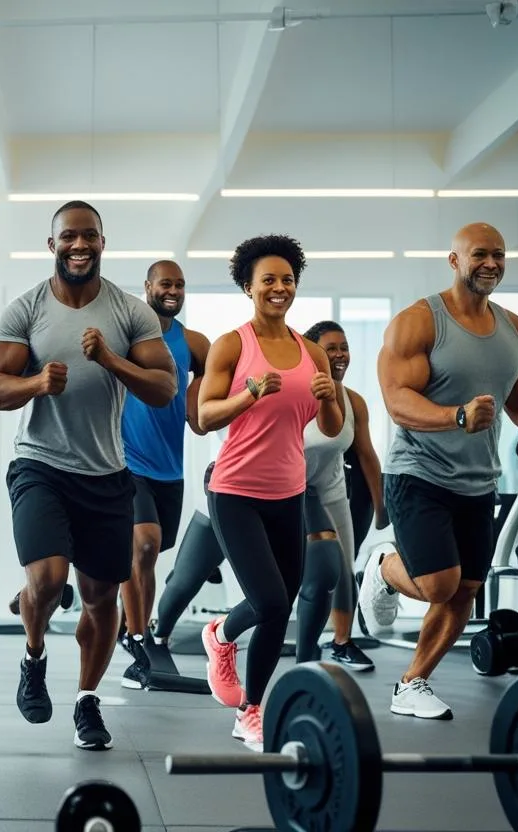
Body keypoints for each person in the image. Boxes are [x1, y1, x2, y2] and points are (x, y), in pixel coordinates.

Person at [0, 200, 177, 751]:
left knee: (99, 594)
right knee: (47, 579)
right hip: (40, 464)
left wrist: (112, 361)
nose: (79, 245)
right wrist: (36, 384)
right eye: (69, 237)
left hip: (107, 473)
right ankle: (34, 656)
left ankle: (87, 700)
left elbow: (164, 388)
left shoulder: (129, 312)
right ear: (53, 245)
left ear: (102, 244)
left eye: (89, 236)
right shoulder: (26, 310)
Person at [362, 222, 518, 720]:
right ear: (455, 260)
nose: (491, 264)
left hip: (478, 480)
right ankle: (385, 569)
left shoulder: (514, 330)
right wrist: (455, 416)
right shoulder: (419, 322)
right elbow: (397, 402)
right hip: (418, 473)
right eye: (480, 254)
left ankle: (412, 684)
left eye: (499, 255)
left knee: (467, 591)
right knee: (439, 585)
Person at [195, 234, 343, 751]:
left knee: (278, 607)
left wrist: (329, 396)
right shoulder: (233, 345)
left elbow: (331, 424)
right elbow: (204, 415)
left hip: (288, 492)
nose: (279, 288)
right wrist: (248, 394)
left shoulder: (313, 352)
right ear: (247, 286)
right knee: (272, 601)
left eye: (287, 279)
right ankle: (250, 713)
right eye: (268, 281)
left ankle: (219, 637)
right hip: (234, 490)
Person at [115, 259, 210, 690]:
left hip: (169, 465)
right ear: (147, 286)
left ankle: (122, 624)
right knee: (145, 543)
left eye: (179, 284)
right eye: (164, 283)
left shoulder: (192, 342)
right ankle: (140, 640)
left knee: (151, 551)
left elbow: (213, 371)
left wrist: (194, 395)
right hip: (124, 460)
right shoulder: (128, 333)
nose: (172, 290)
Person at [296, 320, 387, 670]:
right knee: (318, 565)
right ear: (312, 353)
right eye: (330, 348)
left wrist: (381, 507)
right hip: (291, 487)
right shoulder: (298, 392)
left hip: (329, 487)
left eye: (344, 347)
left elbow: (366, 453)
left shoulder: (354, 402)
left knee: (343, 564)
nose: (340, 354)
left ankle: (342, 642)